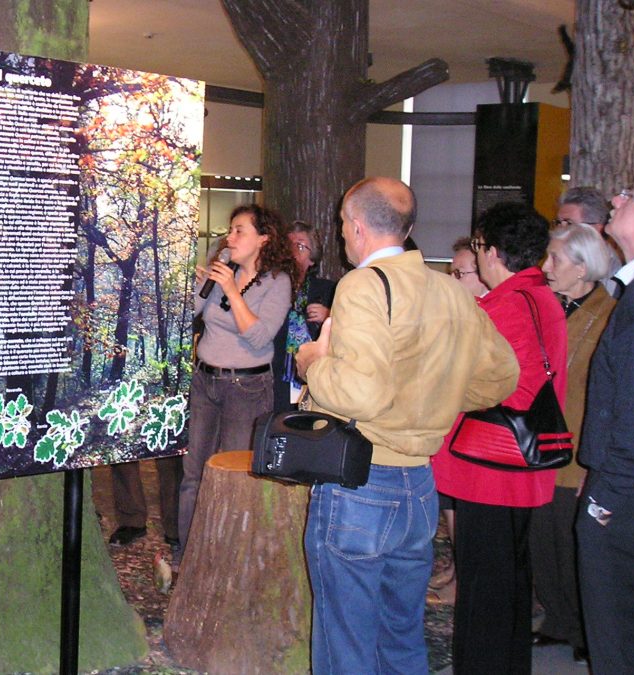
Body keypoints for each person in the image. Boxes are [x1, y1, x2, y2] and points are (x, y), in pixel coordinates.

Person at [296, 178, 519, 674]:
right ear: (409, 227)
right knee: (400, 639)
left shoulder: (362, 286)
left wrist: (312, 361)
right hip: (420, 486)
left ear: (354, 227)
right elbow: (502, 377)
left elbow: (361, 394)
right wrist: (431, 396)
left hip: (361, 485)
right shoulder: (449, 289)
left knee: (345, 643)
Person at [432, 202, 566, 675]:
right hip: (519, 466)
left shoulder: (507, 303)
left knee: (484, 592)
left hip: (489, 468)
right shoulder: (540, 297)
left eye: (477, 246)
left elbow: (508, 385)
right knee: (508, 585)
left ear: (492, 251)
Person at [177, 204, 294, 565]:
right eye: (230, 230)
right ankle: (187, 556)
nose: (230, 237)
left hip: (246, 389)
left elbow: (259, 337)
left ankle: (228, 560)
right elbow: (192, 315)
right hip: (205, 381)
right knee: (193, 473)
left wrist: (231, 290)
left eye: (240, 230)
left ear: (264, 238)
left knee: (233, 475)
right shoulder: (223, 273)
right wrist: (200, 288)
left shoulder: (277, 282)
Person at [530, 223, 617, 663]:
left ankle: (585, 628)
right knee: (542, 542)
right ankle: (559, 620)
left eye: (555, 261)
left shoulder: (610, 314)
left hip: (579, 450)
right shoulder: (550, 307)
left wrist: (596, 465)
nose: (546, 268)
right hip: (540, 446)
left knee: (571, 545)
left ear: (583, 269)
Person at [576, 177, 634, 675]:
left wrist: (606, 495)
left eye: (631, 195)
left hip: (625, 492)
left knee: (617, 630)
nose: (616, 201)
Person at [426, 237, 490, 606]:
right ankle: (455, 567)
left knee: (459, 505)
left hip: (469, 423)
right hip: (449, 419)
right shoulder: (460, 309)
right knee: (448, 501)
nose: (453, 279)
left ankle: (464, 578)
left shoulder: (484, 314)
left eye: (460, 273)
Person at [271, 220, 335, 410]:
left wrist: (329, 316)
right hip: (274, 374)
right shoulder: (269, 287)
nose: (291, 250)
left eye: (299, 245)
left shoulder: (328, 290)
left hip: (313, 379)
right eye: (287, 244)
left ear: (312, 257)